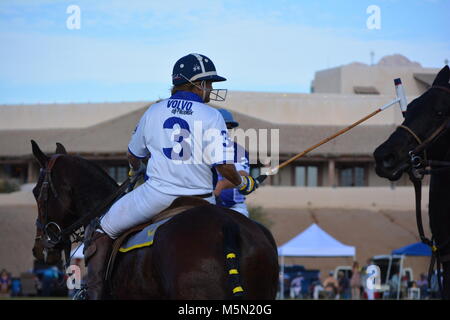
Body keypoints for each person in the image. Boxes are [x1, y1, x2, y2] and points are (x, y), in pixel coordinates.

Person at [83, 53, 259, 300]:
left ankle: (92, 293)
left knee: (101, 229)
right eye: (207, 83)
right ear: (193, 84)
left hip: (157, 196)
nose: (210, 88)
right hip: (202, 200)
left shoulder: (154, 111)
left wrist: (135, 171)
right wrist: (244, 182)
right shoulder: (211, 116)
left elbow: (134, 155)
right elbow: (224, 167)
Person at [213, 108, 251, 217]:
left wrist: (221, 185)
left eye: (228, 127)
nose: (224, 130)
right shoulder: (199, 149)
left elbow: (243, 174)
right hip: (206, 203)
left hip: (234, 207)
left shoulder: (238, 150)